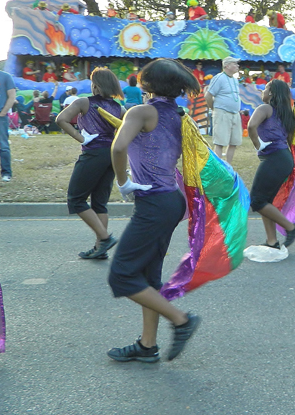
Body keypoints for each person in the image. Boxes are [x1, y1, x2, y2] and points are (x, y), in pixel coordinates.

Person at [106, 59, 202, 363]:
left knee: (121, 276)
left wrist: (123, 182)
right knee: (148, 276)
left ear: (146, 83)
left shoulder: (142, 111)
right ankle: (147, 346)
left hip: (156, 203)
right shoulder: (179, 114)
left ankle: (181, 320)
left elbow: (118, 148)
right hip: (170, 201)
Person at [57, 68, 124, 260]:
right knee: (99, 203)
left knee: (76, 199)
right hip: (111, 155)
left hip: (93, 153)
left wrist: (82, 138)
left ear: (95, 85)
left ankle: (105, 239)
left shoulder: (83, 102)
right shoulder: (119, 108)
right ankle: (99, 249)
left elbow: (61, 119)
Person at [247, 79, 295, 250]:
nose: (262, 91)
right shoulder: (285, 113)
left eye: (265, 88)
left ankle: (291, 228)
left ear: (271, 93)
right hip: (283, 159)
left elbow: (251, 126)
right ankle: (272, 241)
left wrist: (258, 145)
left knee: (257, 201)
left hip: (275, 158)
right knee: (266, 201)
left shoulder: (265, 108)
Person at [205, 56, 242, 164]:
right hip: (222, 113)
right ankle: (219, 168)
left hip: (235, 114)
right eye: (235, 63)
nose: (237, 66)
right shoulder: (219, 78)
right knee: (220, 142)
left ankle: (228, 166)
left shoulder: (235, 80)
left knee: (234, 142)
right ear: (227, 65)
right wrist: (214, 109)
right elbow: (208, 95)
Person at [0, 66, 16, 182]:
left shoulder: (5, 76)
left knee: (4, 146)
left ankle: (6, 173)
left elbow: (12, 96)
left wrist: (3, 112)